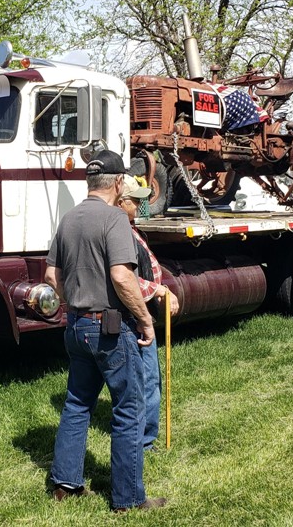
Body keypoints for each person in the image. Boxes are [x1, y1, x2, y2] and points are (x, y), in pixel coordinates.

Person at [45, 150, 167, 513]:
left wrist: (73, 305)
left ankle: (65, 483)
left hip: (76, 325)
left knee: (77, 403)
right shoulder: (115, 218)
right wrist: (145, 319)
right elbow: (121, 276)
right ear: (117, 183)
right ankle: (127, 499)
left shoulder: (68, 219)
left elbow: (52, 277)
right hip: (110, 328)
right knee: (129, 409)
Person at [118, 176, 180, 451]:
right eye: (136, 200)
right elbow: (123, 278)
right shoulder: (119, 233)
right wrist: (158, 291)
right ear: (121, 203)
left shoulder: (130, 229)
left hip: (139, 311)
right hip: (134, 315)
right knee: (146, 379)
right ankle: (143, 441)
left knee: (145, 378)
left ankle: (143, 435)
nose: (142, 204)